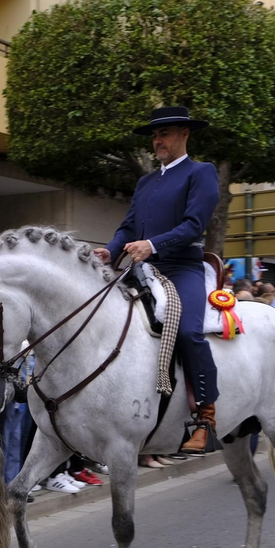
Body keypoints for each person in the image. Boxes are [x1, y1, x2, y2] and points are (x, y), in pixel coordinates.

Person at [93, 106, 220, 454]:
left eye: (165, 133)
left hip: (182, 267)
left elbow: (194, 225)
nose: (158, 140)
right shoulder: (146, 181)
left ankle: (206, 419)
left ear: (185, 135)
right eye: (154, 134)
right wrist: (111, 249)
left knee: (189, 331)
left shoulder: (201, 173)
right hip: (141, 268)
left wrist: (152, 244)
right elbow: (129, 225)